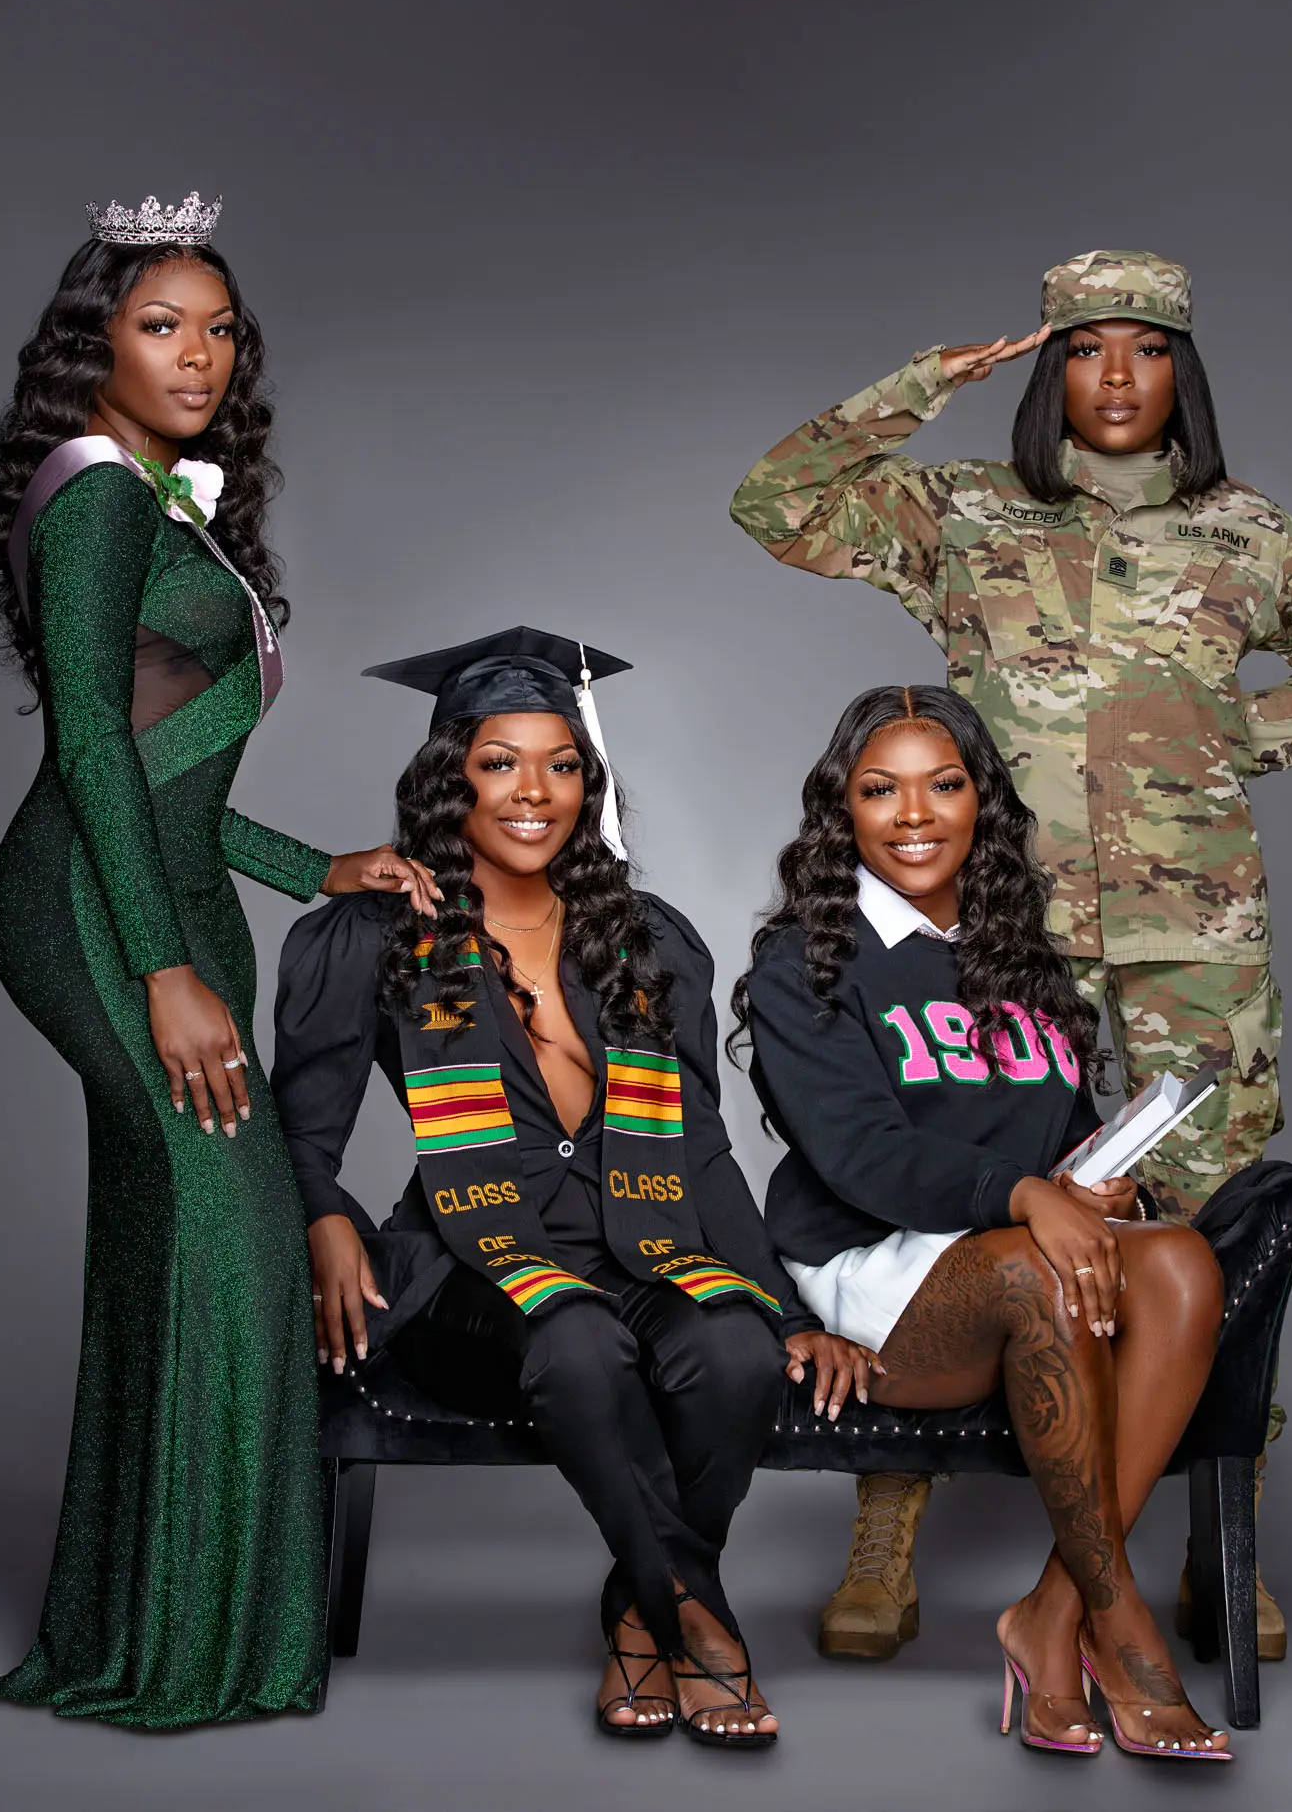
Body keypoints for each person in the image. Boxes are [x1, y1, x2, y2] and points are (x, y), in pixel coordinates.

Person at [728, 247, 1292, 1660]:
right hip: (998, 929)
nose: (1115, 375)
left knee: (1205, 1233)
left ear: (1182, 371)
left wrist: (1224, 745)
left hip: (1188, 941)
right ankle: (888, 1522)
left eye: (1146, 348)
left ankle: (1220, 1530)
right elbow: (774, 503)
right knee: (962, 1204)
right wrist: (919, 385)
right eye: (1085, 347)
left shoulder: (1248, 534)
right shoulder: (963, 512)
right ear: (1048, 371)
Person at [0, 193, 436, 1728]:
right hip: (100, 911)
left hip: (166, 891)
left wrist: (320, 868)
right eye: (161, 324)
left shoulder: (164, 502)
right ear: (91, 341)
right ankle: (193, 1640)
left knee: (173, 1240)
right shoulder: (99, 501)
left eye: (221, 329)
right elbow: (95, 751)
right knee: (237, 1241)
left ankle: (147, 1615)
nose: (200, 355)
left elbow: (175, 775)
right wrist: (163, 969)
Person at [271, 628, 870, 1747]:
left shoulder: (643, 941)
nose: (533, 791)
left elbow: (698, 1147)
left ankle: (641, 1619)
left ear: (586, 783)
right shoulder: (376, 936)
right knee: (580, 1340)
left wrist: (783, 1308)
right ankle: (698, 1621)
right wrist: (324, 1218)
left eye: (560, 764)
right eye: (498, 762)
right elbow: (298, 1133)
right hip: (470, 1264)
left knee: (736, 1350)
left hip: (639, 1244)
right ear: (449, 777)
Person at [732, 684, 1231, 1761]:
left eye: (943, 784)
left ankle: (1051, 1611)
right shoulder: (807, 959)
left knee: (1181, 1262)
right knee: (1035, 1267)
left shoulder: (1018, 956)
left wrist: (1095, 1182)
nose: (913, 815)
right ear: (843, 810)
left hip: (1012, 1247)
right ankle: (1120, 1628)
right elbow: (861, 1156)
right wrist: (1026, 1196)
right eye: (880, 789)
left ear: (980, 803)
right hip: (874, 1271)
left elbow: (1062, 1131)